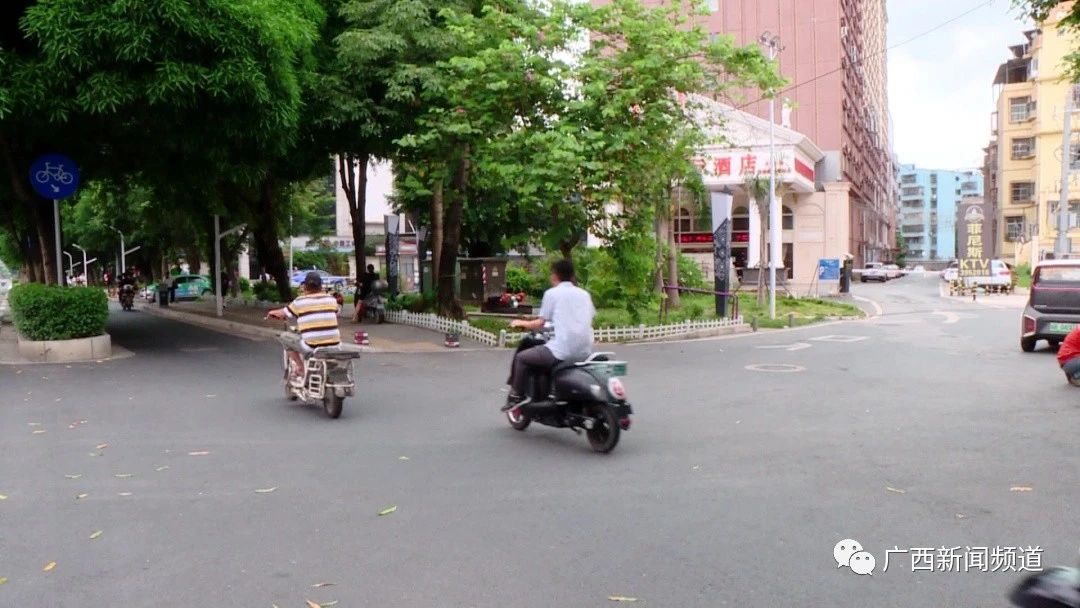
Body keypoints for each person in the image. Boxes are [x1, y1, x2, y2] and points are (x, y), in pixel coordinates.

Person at [502, 260, 595, 412]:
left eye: (552, 273)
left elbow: (540, 323)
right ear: (572, 276)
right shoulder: (584, 294)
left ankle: (516, 396)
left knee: (522, 358)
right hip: (585, 351)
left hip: (562, 350)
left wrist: (520, 323)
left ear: (555, 275)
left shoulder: (552, 293)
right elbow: (586, 318)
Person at [267, 271, 342, 381]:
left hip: (311, 346)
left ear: (305, 286)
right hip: (335, 345)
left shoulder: (300, 301)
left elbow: (284, 312)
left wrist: (272, 313)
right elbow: (337, 312)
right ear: (321, 286)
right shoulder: (331, 300)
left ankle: (301, 368)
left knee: (284, 337)